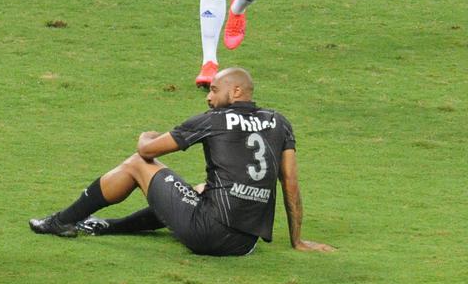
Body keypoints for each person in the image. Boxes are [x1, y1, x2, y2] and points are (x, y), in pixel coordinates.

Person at [28, 67, 335, 256]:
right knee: (200, 189)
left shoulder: (213, 119)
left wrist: (144, 136)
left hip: (207, 234)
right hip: (244, 244)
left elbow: (149, 152)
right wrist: (297, 240)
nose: (208, 97)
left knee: (137, 163)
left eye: (214, 90)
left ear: (236, 91)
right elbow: (290, 184)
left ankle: (61, 221)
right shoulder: (279, 122)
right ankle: (107, 226)